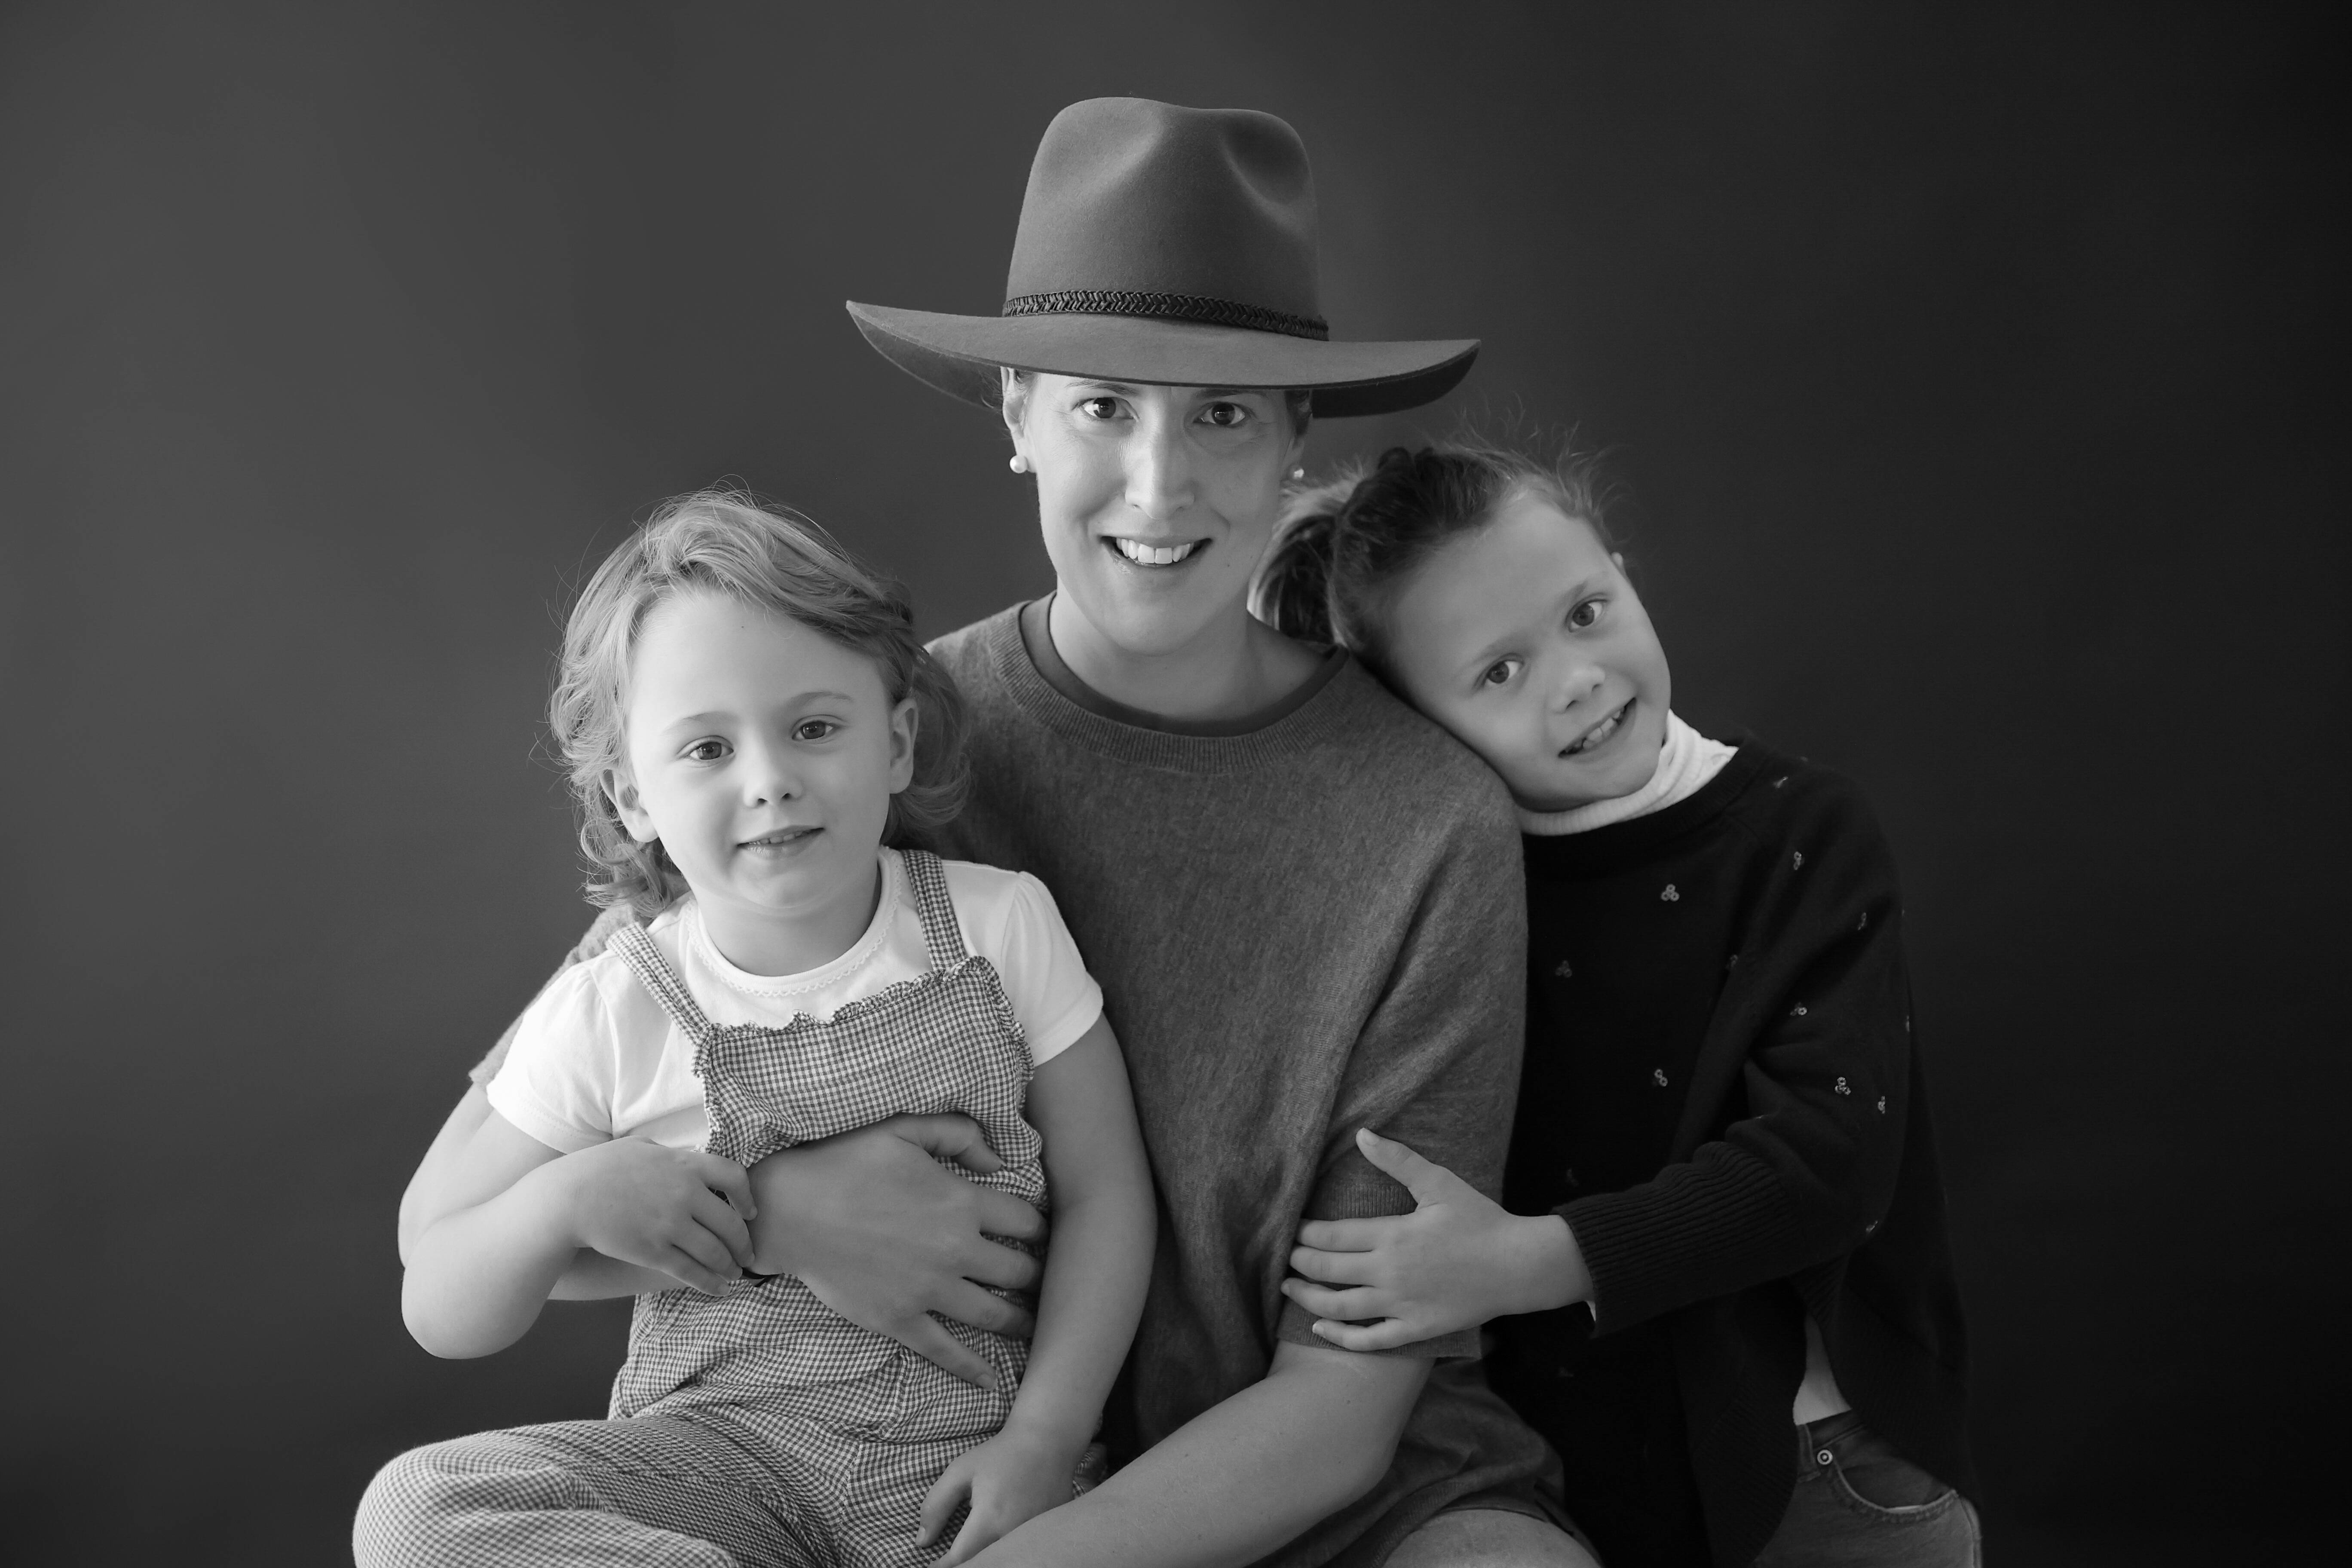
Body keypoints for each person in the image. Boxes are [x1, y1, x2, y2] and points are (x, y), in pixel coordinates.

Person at [399, 99, 1596, 1566]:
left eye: (1224, 413)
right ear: (1019, 414)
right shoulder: (844, 735)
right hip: (870, 1462)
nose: (1158, 483)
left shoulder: (1425, 821)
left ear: (1297, 436)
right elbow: (483, 1212)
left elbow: (1347, 1403)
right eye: (1102, 407)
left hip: (1316, 1487)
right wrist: (772, 1214)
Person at [359, 495, 1156, 1568]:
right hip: (725, 1473)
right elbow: (441, 1307)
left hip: (977, 1479)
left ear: (897, 744)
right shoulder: (614, 1008)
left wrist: (1048, 1439)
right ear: (633, 799)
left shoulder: (997, 925)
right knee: (415, 1511)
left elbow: (1108, 1192)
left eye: (814, 728)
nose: (770, 780)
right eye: (706, 748)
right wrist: (565, 1200)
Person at [1257, 443, 1981, 1567]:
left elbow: (1829, 1160)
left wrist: (1518, 1263)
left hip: (1816, 1468)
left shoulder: (1800, 834)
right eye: (1501, 671)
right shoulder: (1445, 885)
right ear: (1415, 720)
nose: (1578, 679)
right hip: (1569, 1475)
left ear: (1625, 570)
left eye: (1588, 612)